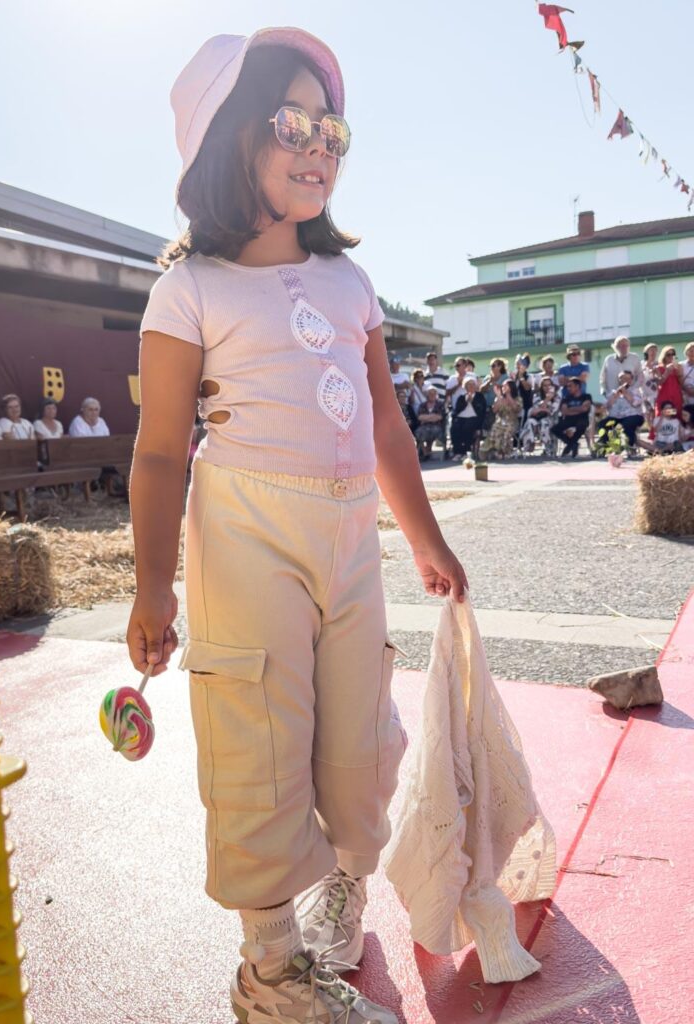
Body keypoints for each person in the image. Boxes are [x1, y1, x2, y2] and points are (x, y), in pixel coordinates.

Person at [130, 30, 468, 1024]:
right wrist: (155, 586)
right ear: (228, 141)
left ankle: (343, 883)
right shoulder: (186, 290)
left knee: (364, 737)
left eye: (333, 126)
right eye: (292, 121)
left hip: (348, 534)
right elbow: (157, 452)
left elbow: (387, 427)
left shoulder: (351, 285)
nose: (320, 143)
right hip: (244, 531)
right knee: (260, 734)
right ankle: (271, 970)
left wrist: (424, 536)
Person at [596, 370, 645, 449]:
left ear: (631, 380)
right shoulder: (613, 392)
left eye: (627, 378)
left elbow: (635, 403)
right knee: (602, 424)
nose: (624, 381)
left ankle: (631, 445)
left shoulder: (636, 391)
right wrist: (614, 397)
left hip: (634, 416)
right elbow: (606, 406)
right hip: (616, 418)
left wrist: (625, 392)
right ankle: (606, 446)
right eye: (621, 378)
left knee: (625, 425)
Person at [480, 378, 521, 460]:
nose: (503, 388)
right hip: (500, 422)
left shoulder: (518, 399)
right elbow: (494, 410)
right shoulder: (499, 398)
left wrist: (508, 396)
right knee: (495, 430)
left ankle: (505, 451)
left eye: (506, 386)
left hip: (512, 422)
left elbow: (516, 409)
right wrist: (499, 397)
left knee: (506, 431)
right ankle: (497, 451)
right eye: (503, 386)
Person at [551, 377, 592, 458]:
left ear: (577, 386)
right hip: (569, 420)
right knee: (554, 429)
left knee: (581, 426)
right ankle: (573, 444)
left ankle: (570, 445)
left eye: (570, 386)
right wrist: (579, 409)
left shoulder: (586, 396)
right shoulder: (566, 398)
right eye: (567, 386)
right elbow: (564, 411)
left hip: (582, 419)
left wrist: (571, 409)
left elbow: (585, 408)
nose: (568, 388)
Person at [518, 379, 559, 456]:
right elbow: (534, 410)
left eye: (549, 385)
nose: (547, 387)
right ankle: (529, 445)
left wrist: (547, 400)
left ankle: (548, 447)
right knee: (530, 422)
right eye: (545, 385)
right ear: (541, 387)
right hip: (537, 418)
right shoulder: (537, 396)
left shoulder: (557, 397)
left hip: (551, 419)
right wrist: (545, 405)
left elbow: (552, 411)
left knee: (544, 422)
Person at [450, 375, 485, 458]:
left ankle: (466, 450)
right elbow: (457, 411)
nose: (471, 386)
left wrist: (472, 401)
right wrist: (466, 402)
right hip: (461, 418)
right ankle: (458, 452)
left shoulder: (480, 396)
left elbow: (481, 411)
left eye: (473, 384)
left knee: (467, 427)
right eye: (469, 384)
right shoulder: (461, 397)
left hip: (474, 418)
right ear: (465, 387)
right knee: (454, 428)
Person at [415, 383, 446, 459]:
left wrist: (427, 417)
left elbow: (440, 417)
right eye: (430, 393)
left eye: (434, 393)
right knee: (419, 432)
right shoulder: (423, 405)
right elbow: (420, 417)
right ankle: (424, 451)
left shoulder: (440, 404)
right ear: (427, 395)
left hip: (437, 426)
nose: (432, 395)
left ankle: (428, 451)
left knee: (435, 430)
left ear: (436, 395)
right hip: (424, 426)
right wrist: (432, 416)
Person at [513, 353, 534, 421]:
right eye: (517, 363)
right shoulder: (512, 376)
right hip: (514, 407)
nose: (518, 366)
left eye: (521, 364)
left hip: (525, 407)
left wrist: (521, 377)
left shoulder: (529, 376)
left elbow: (527, 388)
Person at [680, 340, 694, 416]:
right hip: (685, 399)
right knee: (687, 421)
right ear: (686, 352)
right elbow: (677, 381)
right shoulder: (681, 365)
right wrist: (686, 389)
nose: (693, 353)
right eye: (690, 351)